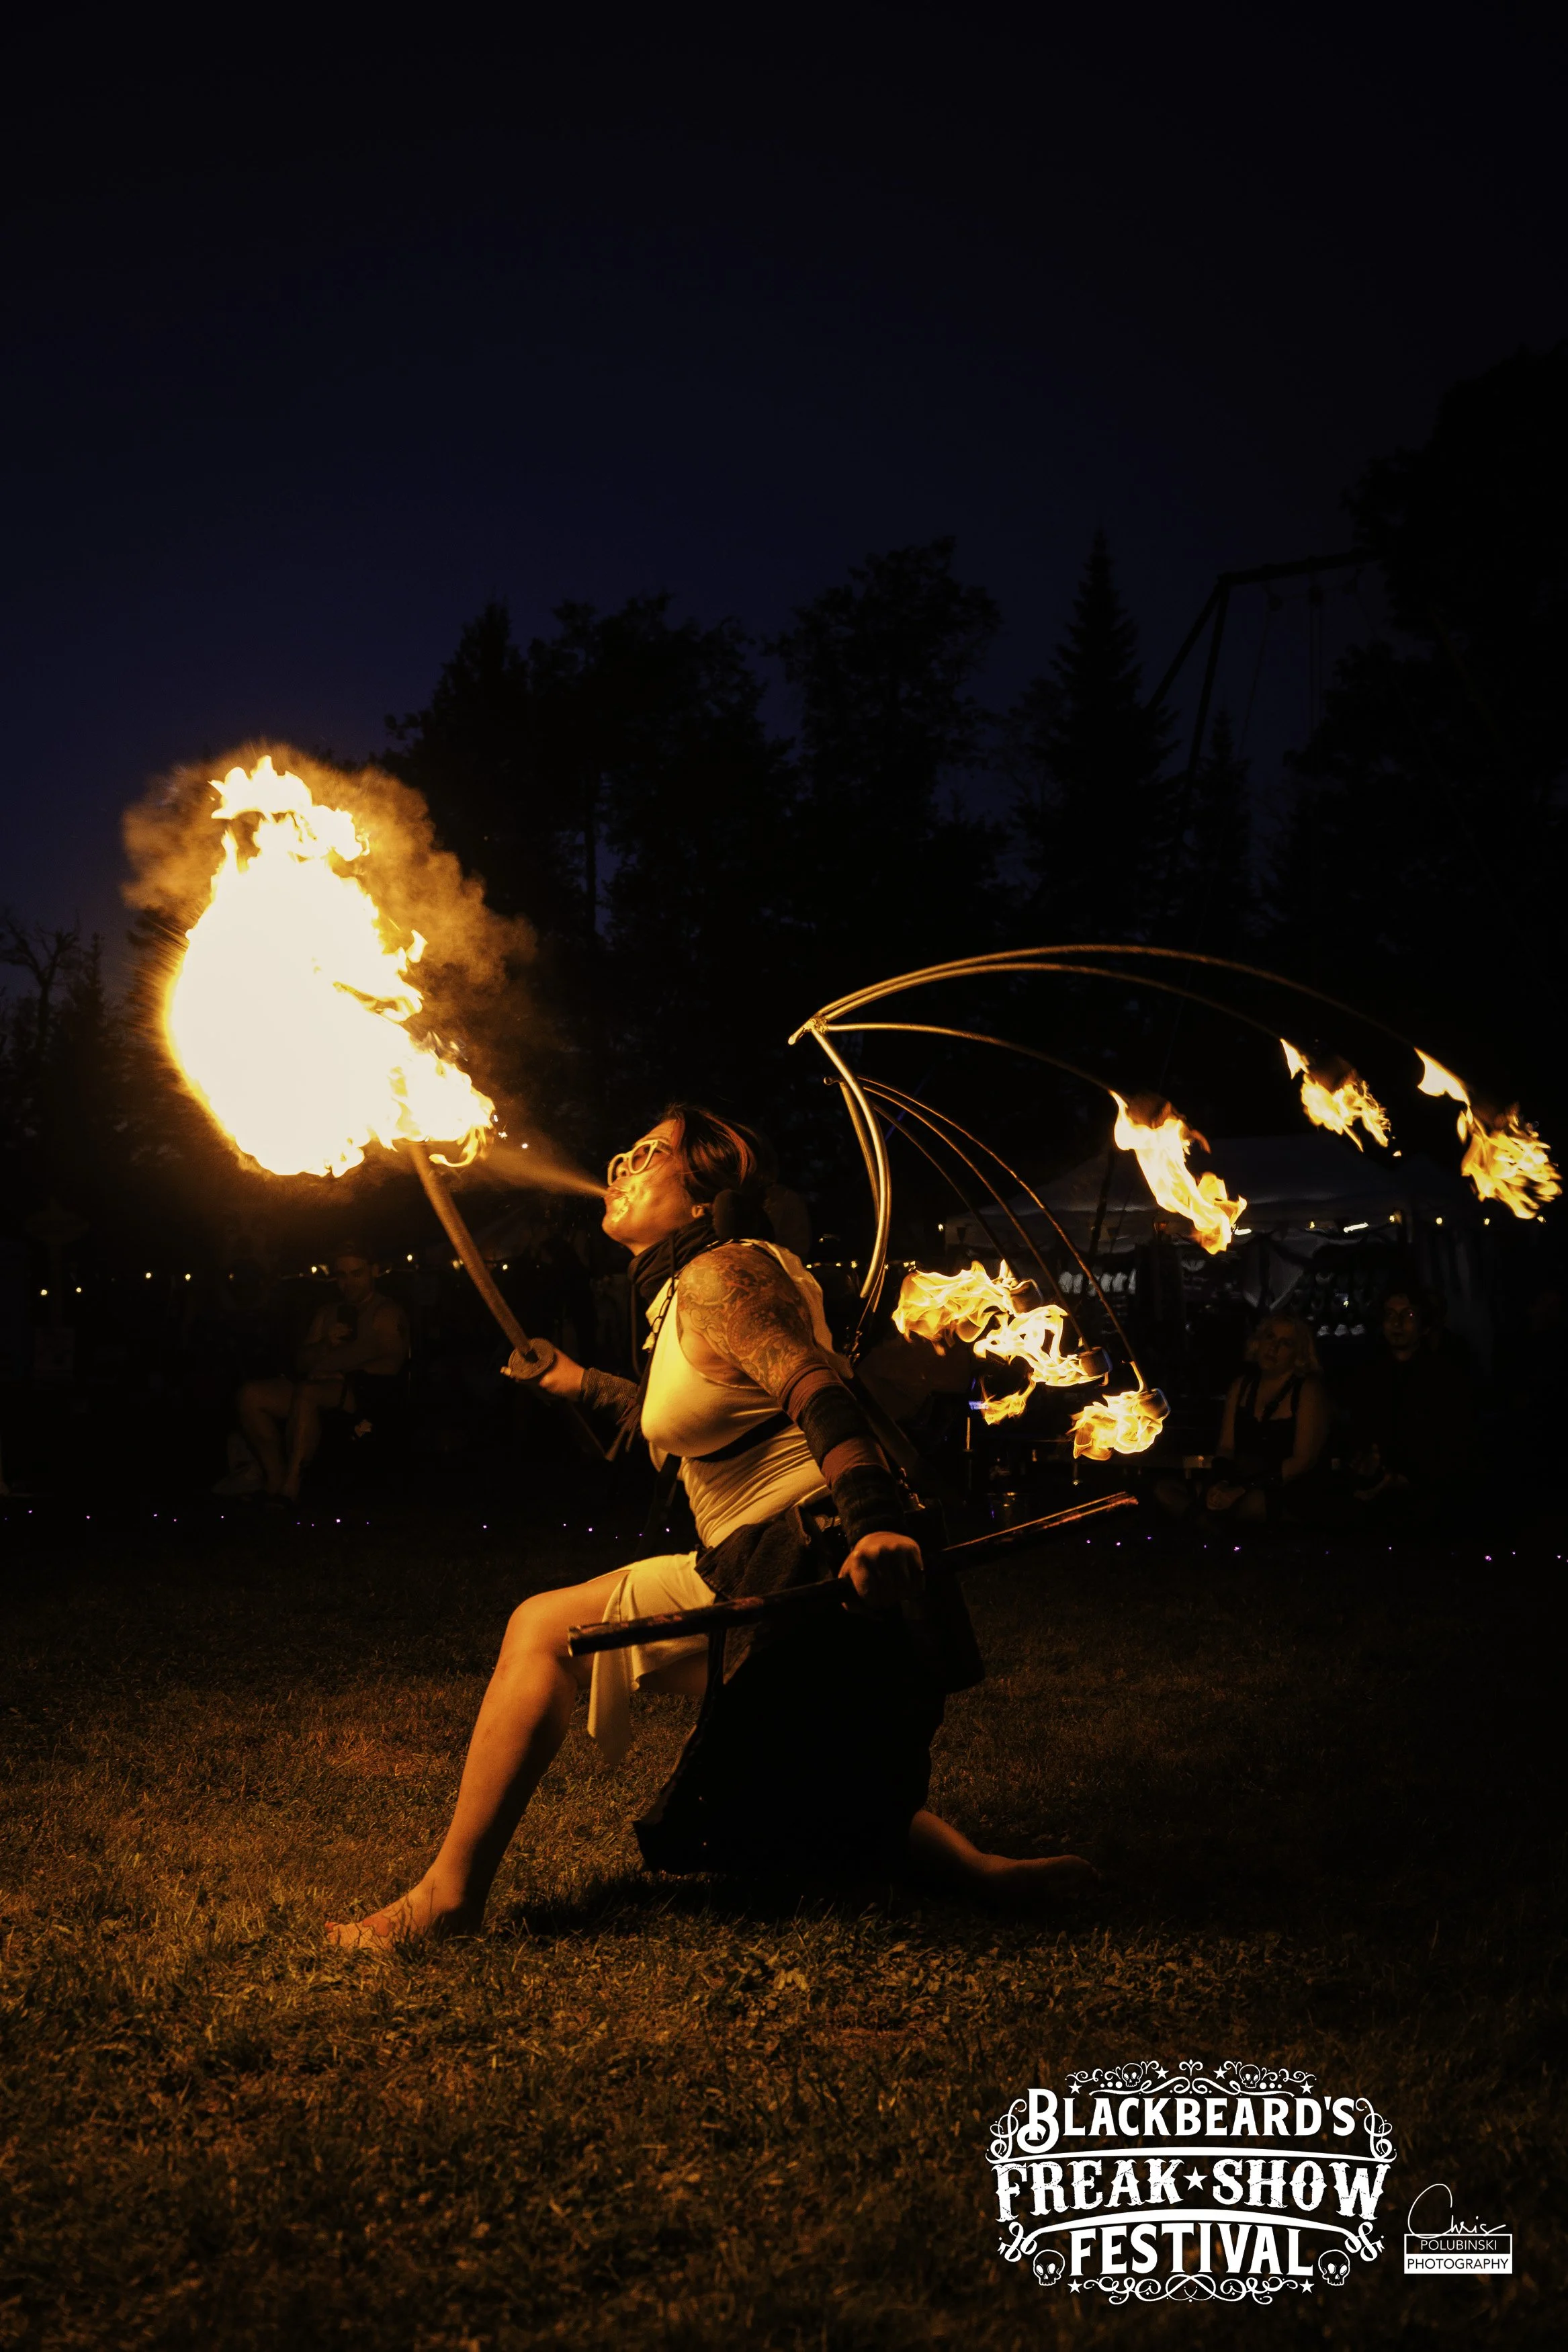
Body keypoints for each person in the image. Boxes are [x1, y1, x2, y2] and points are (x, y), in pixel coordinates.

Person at [327, 1105, 1088, 1946]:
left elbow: (816, 1392)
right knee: (816, 1763)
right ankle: (979, 1870)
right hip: (752, 1557)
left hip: (818, 1558)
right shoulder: (690, 1292)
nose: (620, 1165)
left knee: (544, 1627)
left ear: (700, 1201)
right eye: (628, 1148)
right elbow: (701, 1420)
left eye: (648, 1153)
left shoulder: (724, 1275)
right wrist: (579, 1381)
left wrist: (871, 1523)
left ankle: (448, 1896)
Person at [233, 1247, 409, 1500]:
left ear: (373, 1272)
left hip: (360, 1390)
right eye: (342, 1276)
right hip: (316, 1382)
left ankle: (292, 1486)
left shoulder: (386, 1312)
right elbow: (301, 1363)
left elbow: (393, 1362)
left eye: (356, 1274)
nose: (348, 1283)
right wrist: (325, 1344)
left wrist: (345, 1376)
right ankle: (274, 1477)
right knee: (251, 1396)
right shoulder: (327, 1313)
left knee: (308, 1394)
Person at [1158, 1313, 1329, 1525]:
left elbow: (1302, 1461)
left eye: (1285, 1343)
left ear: (1299, 1353)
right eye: (1270, 1338)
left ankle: (1209, 1528)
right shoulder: (1242, 1386)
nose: (1273, 1348)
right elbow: (1226, 1447)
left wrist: (1242, 1490)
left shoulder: (1308, 1391)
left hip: (1285, 1487)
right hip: (1238, 1479)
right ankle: (1206, 1525)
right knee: (1165, 1490)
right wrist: (1220, 1484)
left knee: (1251, 1504)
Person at [1346, 1287, 1477, 1525]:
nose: (1397, 1323)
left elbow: (1455, 1444)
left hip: (1431, 1498)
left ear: (1425, 1326)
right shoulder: (1369, 1375)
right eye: (1390, 1315)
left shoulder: (1446, 1379)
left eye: (1408, 1315)